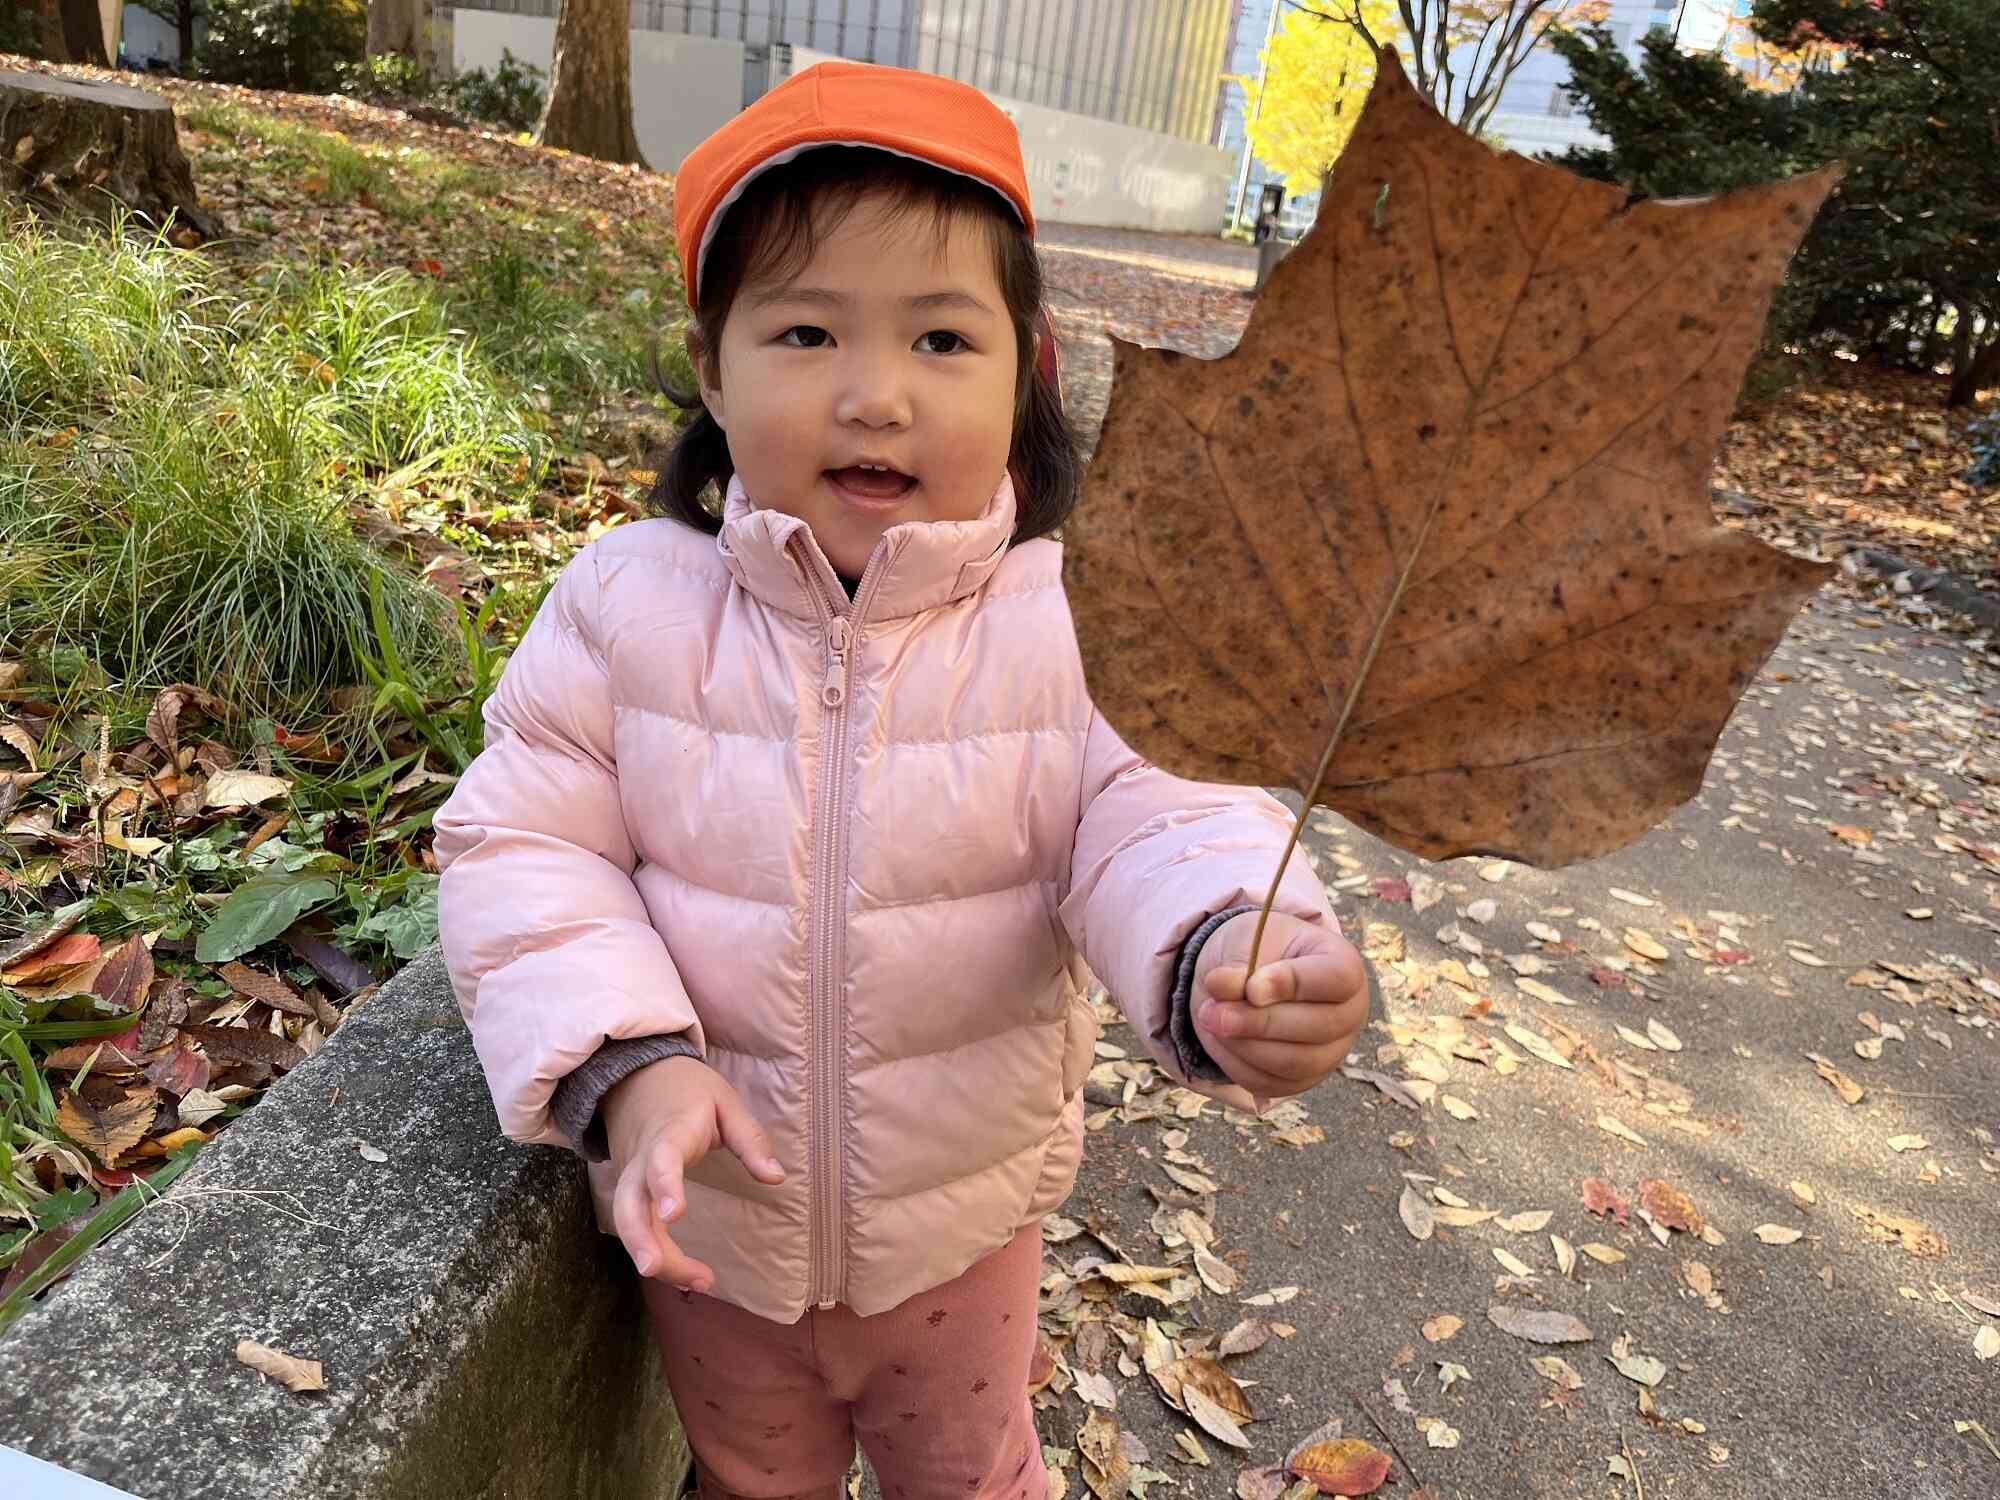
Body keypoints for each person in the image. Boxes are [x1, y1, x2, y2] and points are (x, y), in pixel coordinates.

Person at [433, 60, 1369, 1500]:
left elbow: (1159, 812)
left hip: (958, 1238)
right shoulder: (629, 607)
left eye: (942, 339)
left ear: (1027, 368)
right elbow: (522, 844)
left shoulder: (1076, 620)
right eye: (806, 331)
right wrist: (627, 1067)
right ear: (712, 366)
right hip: (715, 1231)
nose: (875, 396)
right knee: (748, 1481)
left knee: (975, 1479)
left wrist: (1223, 941)